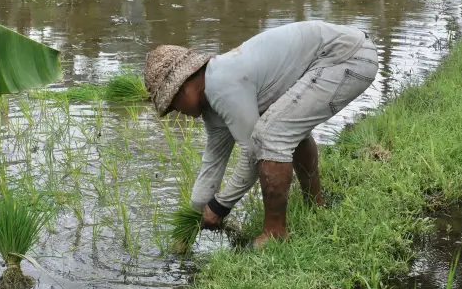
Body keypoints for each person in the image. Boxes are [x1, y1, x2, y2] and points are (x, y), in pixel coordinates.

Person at [144, 20, 378, 248]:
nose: (177, 112)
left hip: (346, 58)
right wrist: (192, 220)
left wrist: (220, 206)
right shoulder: (213, 98)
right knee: (285, 130)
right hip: (343, 54)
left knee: (270, 138)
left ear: (184, 88)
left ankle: (274, 234)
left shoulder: (222, 85)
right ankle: (315, 209)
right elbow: (212, 162)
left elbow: (254, 152)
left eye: (172, 105)